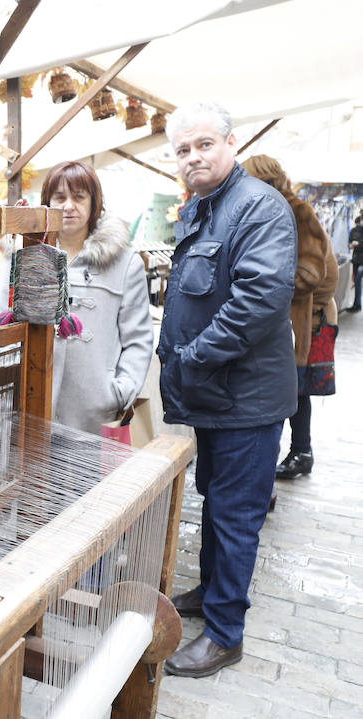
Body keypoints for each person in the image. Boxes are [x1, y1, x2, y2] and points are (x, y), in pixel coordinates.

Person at [157, 103, 297, 678]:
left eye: (204, 144)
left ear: (231, 143)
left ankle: (224, 633)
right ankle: (213, 590)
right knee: (216, 501)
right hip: (216, 396)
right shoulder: (205, 207)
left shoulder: (258, 206)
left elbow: (259, 300)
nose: (193, 157)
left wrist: (192, 358)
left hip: (246, 399)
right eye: (182, 150)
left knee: (236, 514)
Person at [36, 161, 154, 435]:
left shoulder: (124, 263)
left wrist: (119, 391)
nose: (68, 206)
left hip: (96, 413)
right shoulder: (26, 257)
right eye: (59, 198)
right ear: (47, 203)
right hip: (33, 404)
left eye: (78, 197)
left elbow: (138, 339)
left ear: (94, 203)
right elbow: (1, 324)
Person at [242, 155, 338, 484]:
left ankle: (298, 452)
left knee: (294, 388)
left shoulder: (295, 210)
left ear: (264, 180)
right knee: (293, 388)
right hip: (292, 317)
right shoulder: (270, 209)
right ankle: (295, 453)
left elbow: (312, 272)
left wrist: (265, 288)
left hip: (302, 320)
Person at [349, 213, 363, 312]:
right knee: (357, 282)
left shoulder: (354, 230)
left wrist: (357, 245)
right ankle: (357, 304)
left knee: (357, 281)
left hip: (359, 260)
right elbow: (349, 241)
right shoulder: (353, 230)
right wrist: (351, 245)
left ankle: (357, 304)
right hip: (356, 259)